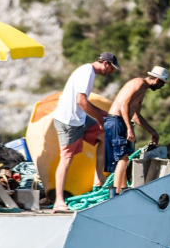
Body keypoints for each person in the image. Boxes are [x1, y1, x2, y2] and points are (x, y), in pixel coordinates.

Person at [51, 52, 120, 211]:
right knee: (66, 159)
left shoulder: (89, 72)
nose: (111, 72)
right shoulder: (86, 72)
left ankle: (99, 179)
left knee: (104, 136)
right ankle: (59, 201)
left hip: (80, 119)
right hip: (69, 122)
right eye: (112, 68)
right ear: (105, 64)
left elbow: (85, 103)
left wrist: (103, 115)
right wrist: (100, 119)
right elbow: (81, 101)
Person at [104, 66, 167, 194]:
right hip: (116, 121)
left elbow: (136, 116)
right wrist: (129, 129)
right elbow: (124, 105)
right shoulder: (139, 83)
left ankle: (123, 191)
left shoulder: (142, 88)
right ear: (157, 80)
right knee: (122, 159)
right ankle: (115, 195)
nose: (161, 87)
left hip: (119, 122)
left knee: (124, 159)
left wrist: (152, 131)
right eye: (162, 84)